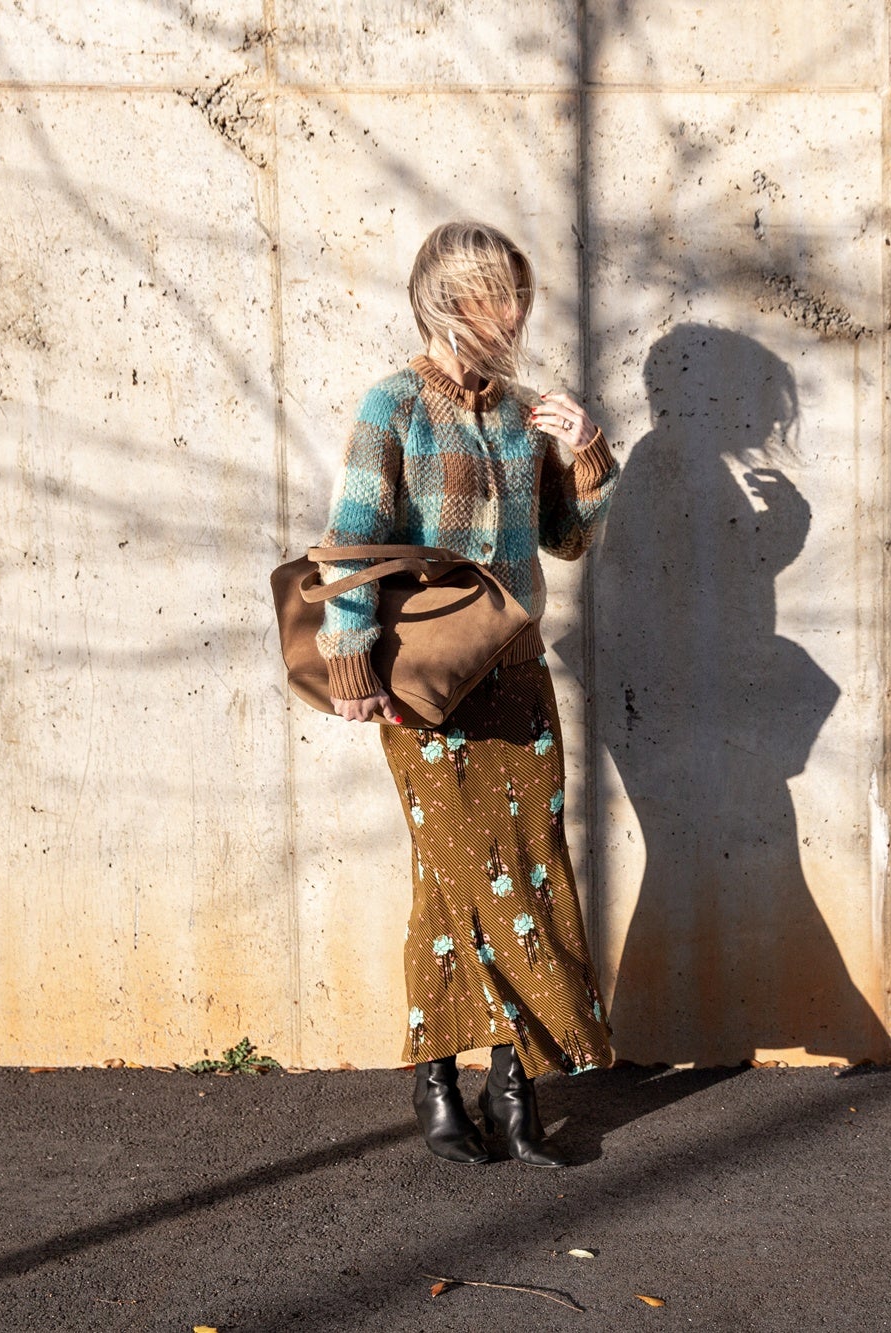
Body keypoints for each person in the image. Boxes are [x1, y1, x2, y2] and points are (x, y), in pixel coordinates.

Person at [314, 221, 620, 1167]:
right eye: (496, 293)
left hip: (518, 675)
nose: (515, 311)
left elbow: (566, 541)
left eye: (519, 292)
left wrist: (586, 456)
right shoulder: (393, 405)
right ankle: (442, 1077)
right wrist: (352, 664)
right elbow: (351, 541)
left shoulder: (525, 409)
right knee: (457, 873)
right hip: (425, 684)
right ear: (448, 300)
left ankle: (509, 1085)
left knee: (528, 869)